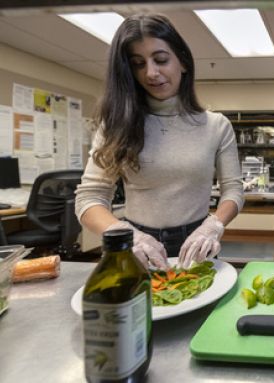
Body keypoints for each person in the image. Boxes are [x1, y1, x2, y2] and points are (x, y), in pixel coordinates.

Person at [75, 14, 244, 270]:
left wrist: (213, 226)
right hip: (134, 245)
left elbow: (233, 190)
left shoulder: (216, 125)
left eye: (161, 59)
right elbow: (89, 199)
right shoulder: (116, 125)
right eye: (138, 64)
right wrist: (124, 234)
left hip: (196, 244)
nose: (151, 73)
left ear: (183, 62)